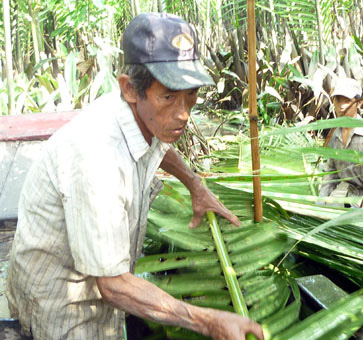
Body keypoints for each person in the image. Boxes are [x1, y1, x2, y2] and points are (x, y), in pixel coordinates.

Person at [6, 13, 264, 340]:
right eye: (169, 96)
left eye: (191, 95)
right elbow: (113, 285)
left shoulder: (144, 116)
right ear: (130, 88)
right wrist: (208, 321)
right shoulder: (97, 158)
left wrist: (195, 185)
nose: (184, 113)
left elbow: (160, 144)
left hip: (101, 285)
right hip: (61, 299)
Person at [319, 78, 363, 205]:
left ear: (359, 103)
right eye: (337, 100)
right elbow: (330, 174)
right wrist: (320, 201)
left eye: (348, 101)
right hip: (348, 196)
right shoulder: (334, 134)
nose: (342, 106)